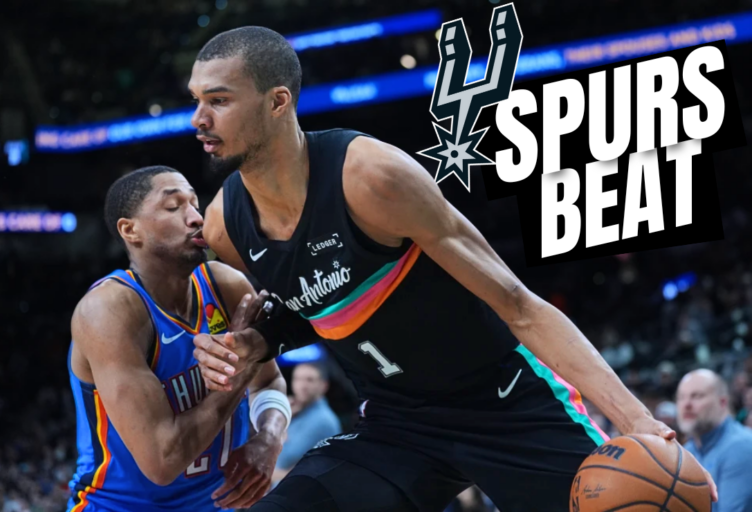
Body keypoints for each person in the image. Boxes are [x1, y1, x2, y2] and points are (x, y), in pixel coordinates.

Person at [187, 27, 717, 512]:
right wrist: (263, 339)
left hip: (505, 404)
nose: (199, 120)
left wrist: (637, 419)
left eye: (219, 101)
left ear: (278, 102)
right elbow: (320, 301)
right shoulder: (224, 226)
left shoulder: (371, 179)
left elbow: (519, 305)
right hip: (396, 425)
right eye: (197, 101)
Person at [66, 166, 292, 512]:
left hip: (219, 504)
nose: (196, 218)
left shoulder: (226, 286)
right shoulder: (109, 311)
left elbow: (270, 382)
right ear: (130, 230)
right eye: (173, 207)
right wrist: (242, 366)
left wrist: (270, 438)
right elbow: (163, 461)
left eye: (195, 204)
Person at [677, 369, 752, 512]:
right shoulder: (686, 451)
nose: (686, 404)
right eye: (681, 397)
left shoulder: (743, 447)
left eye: (697, 396)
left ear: (722, 402)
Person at [272, 363, 341, 484]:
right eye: (297, 379)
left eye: (310, 380)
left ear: (324, 385)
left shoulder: (323, 420)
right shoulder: (297, 411)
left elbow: (283, 458)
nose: (302, 385)